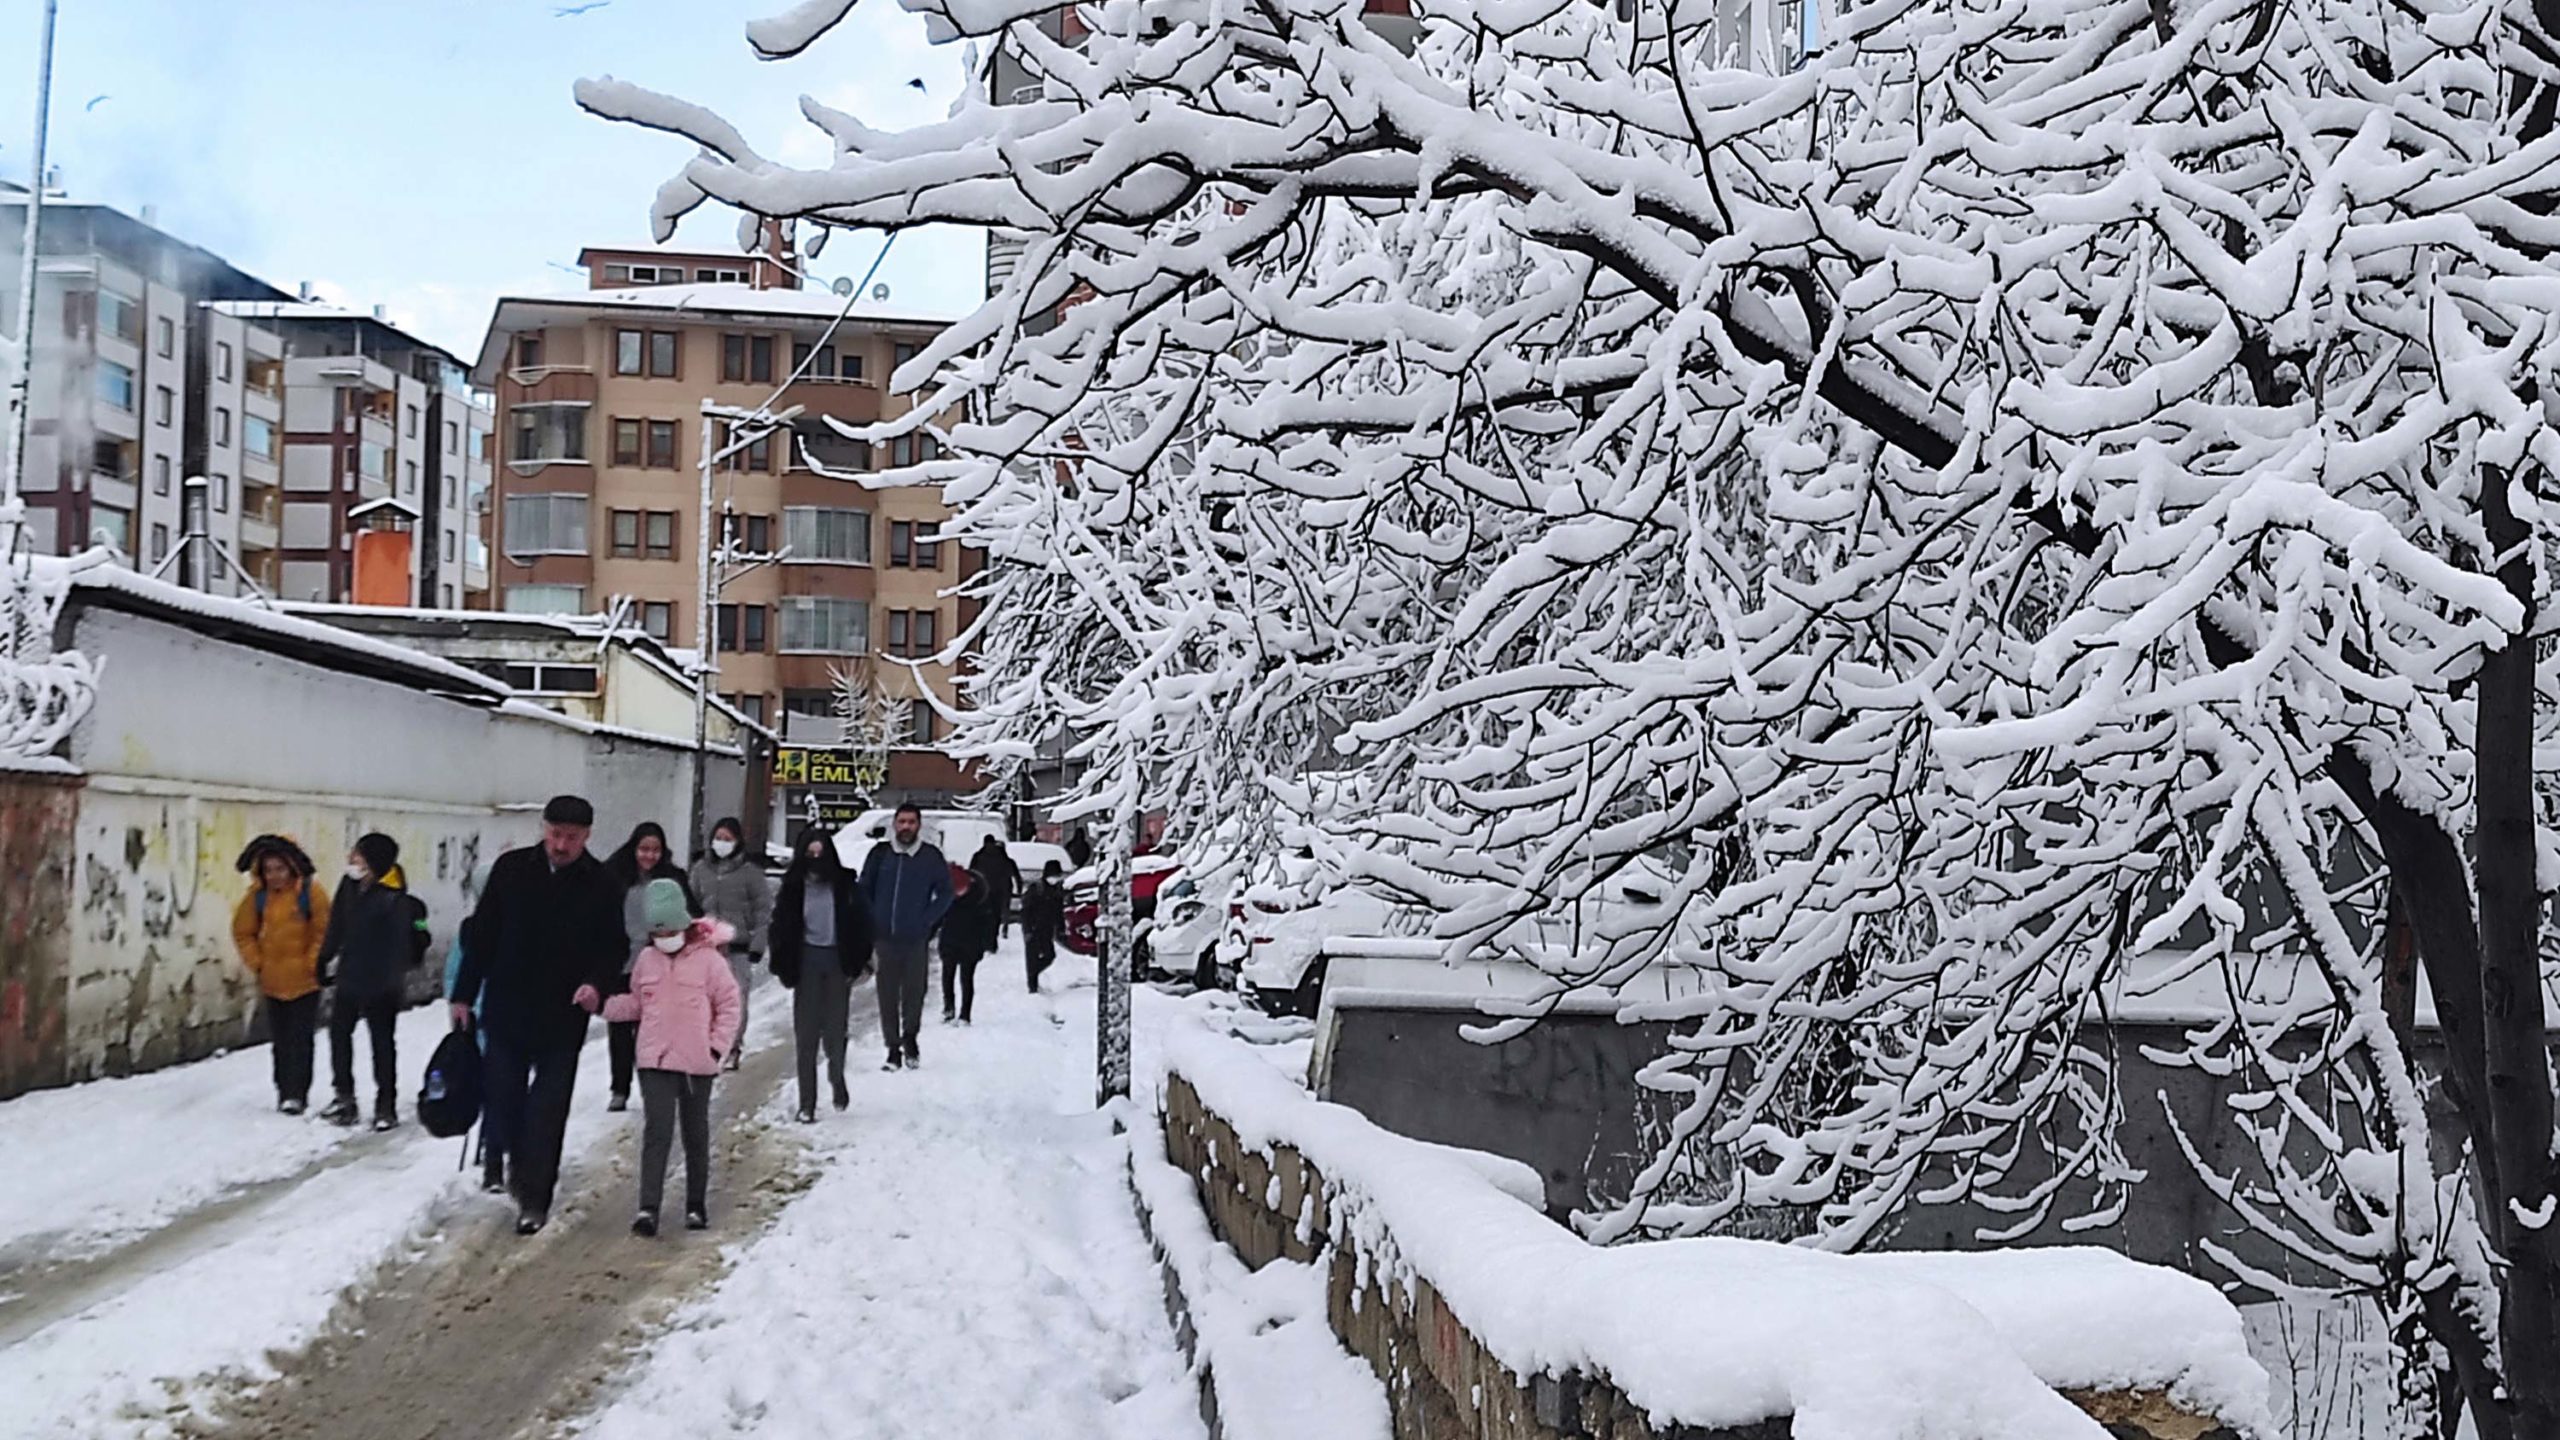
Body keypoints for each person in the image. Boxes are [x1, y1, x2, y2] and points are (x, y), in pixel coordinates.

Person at [453, 796, 627, 1235]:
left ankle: (535, 1196)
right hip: (507, 1008)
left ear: (587, 836)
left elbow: (613, 948)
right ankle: (515, 1161)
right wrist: (462, 994)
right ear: (543, 828)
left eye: (571, 837)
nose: (561, 844)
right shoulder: (511, 871)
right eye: (554, 833)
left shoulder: (602, 883)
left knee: (547, 1113)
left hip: (562, 1015)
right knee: (504, 1101)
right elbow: (482, 935)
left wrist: (596, 984)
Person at [603, 880, 742, 1236]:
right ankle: (648, 1207)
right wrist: (605, 1006)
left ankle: (695, 1204)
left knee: (696, 1134)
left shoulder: (710, 961)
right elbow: (637, 1003)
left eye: (668, 927)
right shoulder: (647, 961)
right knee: (657, 1133)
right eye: (656, 929)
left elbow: (729, 1004)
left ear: (683, 921)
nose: (663, 934)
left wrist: (716, 1047)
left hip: (698, 1062)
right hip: (655, 1061)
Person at [316, 833, 427, 1132]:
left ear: (374, 861)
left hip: (382, 983)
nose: (351, 859)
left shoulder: (394, 898)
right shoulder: (349, 887)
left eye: (358, 855)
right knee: (339, 1035)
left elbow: (400, 946)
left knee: (382, 1042)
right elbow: (337, 925)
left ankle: (385, 1104)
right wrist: (324, 959)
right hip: (350, 976)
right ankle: (344, 1097)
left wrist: (390, 981)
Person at [772, 828, 871, 1120]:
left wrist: (861, 959)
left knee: (834, 1031)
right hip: (806, 961)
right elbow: (779, 927)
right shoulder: (792, 888)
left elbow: (863, 923)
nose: (816, 860)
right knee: (806, 1036)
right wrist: (783, 962)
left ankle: (836, 1076)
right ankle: (807, 1103)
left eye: (820, 853)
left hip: (838, 961)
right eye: (810, 854)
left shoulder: (845, 885)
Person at [231, 838, 331, 1114]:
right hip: (272, 981)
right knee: (281, 1040)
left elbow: (323, 931)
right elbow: (243, 931)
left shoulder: (311, 893)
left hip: (306, 981)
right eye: (268, 870)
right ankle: (284, 1090)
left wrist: (312, 963)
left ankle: (298, 1092)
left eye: (279, 869)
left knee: (301, 1039)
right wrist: (257, 962)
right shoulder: (257, 898)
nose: (274, 875)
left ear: (292, 867)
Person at [603, 822, 695, 1113]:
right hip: (621, 963)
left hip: (658, 964)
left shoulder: (673, 879)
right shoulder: (614, 877)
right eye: (644, 849)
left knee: (652, 1028)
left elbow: (690, 916)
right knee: (619, 1027)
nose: (649, 856)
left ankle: (653, 1085)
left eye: (655, 850)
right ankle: (619, 1087)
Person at [860, 805, 953, 1071]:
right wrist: (870, 918)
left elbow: (946, 893)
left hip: (915, 939)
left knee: (915, 992)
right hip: (884, 938)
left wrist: (927, 919)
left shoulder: (930, 857)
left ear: (919, 825)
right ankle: (892, 1049)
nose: (906, 827)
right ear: (894, 825)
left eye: (911, 822)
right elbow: (864, 888)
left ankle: (910, 1037)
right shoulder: (880, 855)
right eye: (901, 822)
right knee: (886, 995)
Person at [692, 817, 773, 1073]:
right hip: (705, 947)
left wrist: (757, 942)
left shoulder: (750, 873)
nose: (722, 844)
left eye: (728, 839)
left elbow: (763, 910)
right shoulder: (700, 870)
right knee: (704, 1000)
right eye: (719, 838)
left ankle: (732, 1046)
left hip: (737, 947)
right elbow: (691, 905)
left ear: (738, 842)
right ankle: (705, 1044)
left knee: (735, 999)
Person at [939, 862, 998, 1024]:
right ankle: (948, 1008)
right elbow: (936, 917)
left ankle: (965, 1014)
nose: (957, 895)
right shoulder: (946, 894)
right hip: (949, 942)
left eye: (960, 892)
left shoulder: (980, 898)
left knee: (966, 979)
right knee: (947, 977)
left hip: (971, 944)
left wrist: (988, 943)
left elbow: (989, 923)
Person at [1021, 860, 1066, 994]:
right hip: (1034, 928)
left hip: (1047, 928)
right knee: (1032, 957)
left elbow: (1059, 910)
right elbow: (1026, 911)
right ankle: (1032, 986)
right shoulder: (1036, 889)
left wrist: (1060, 927)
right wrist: (1027, 929)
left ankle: (1034, 974)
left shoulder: (1057, 890)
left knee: (1049, 955)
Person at [971, 836, 1020, 938]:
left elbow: (971, 873)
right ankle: (1000, 930)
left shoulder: (978, 856)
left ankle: (986, 934)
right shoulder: (1004, 858)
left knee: (985, 913)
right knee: (999, 913)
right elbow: (1016, 876)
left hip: (984, 889)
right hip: (1002, 889)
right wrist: (1018, 890)